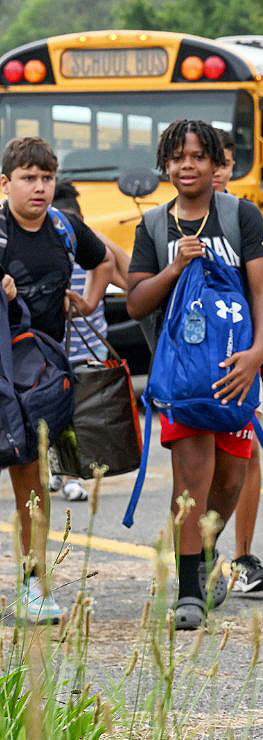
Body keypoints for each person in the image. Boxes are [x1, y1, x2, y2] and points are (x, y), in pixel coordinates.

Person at [126, 120, 263, 629]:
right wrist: (172, 269)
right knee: (190, 480)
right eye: (176, 157)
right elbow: (136, 300)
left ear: (216, 165)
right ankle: (189, 589)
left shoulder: (241, 216)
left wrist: (258, 352)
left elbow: (262, 291)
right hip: (182, 377)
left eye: (196, 157)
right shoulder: (153, 226)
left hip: (235, 368)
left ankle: (207, 550)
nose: (186, 166)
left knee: (231, 477)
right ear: (165, 165)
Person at [0, 137, 113, 622]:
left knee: (33, 484)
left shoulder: (65, 228)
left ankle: (34, 582)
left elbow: (103, 260)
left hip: (41, 381)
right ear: (6, 184)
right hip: (1, 374)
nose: (40, 188)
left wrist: (89, 299)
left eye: (47, 178)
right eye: (28, 178)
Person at [210, 130, 263, 593]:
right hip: (189, 365)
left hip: (241, 358)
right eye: (201, 160)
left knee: (246, 453)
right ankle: (197, 558)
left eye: (223, 163)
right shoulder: (164, 222)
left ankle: (242, 556)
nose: (215, 171)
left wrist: (256, 352)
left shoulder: (243, 218)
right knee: (196, 463)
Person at [49, 180, 131, 502]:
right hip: (55, 351)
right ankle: (58, 470)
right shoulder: (45, 250)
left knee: (79, 415)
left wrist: (103, 242)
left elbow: (128, 280)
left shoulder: (93, 250)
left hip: (89, 354)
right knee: (54, 414)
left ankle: (71, 476)